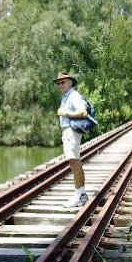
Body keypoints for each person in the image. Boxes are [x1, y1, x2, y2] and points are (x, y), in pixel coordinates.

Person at [54, 72, 89, 208]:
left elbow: (83, 112)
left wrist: (66, 113)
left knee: (74, 162)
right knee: (74, 162)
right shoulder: (66, 96)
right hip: (67, 131)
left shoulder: (74, 96)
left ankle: (79, 196)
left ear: (70, 83)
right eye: (58, 83)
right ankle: (81, 194)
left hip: (71, 131)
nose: (60, 85)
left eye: (63, 82)